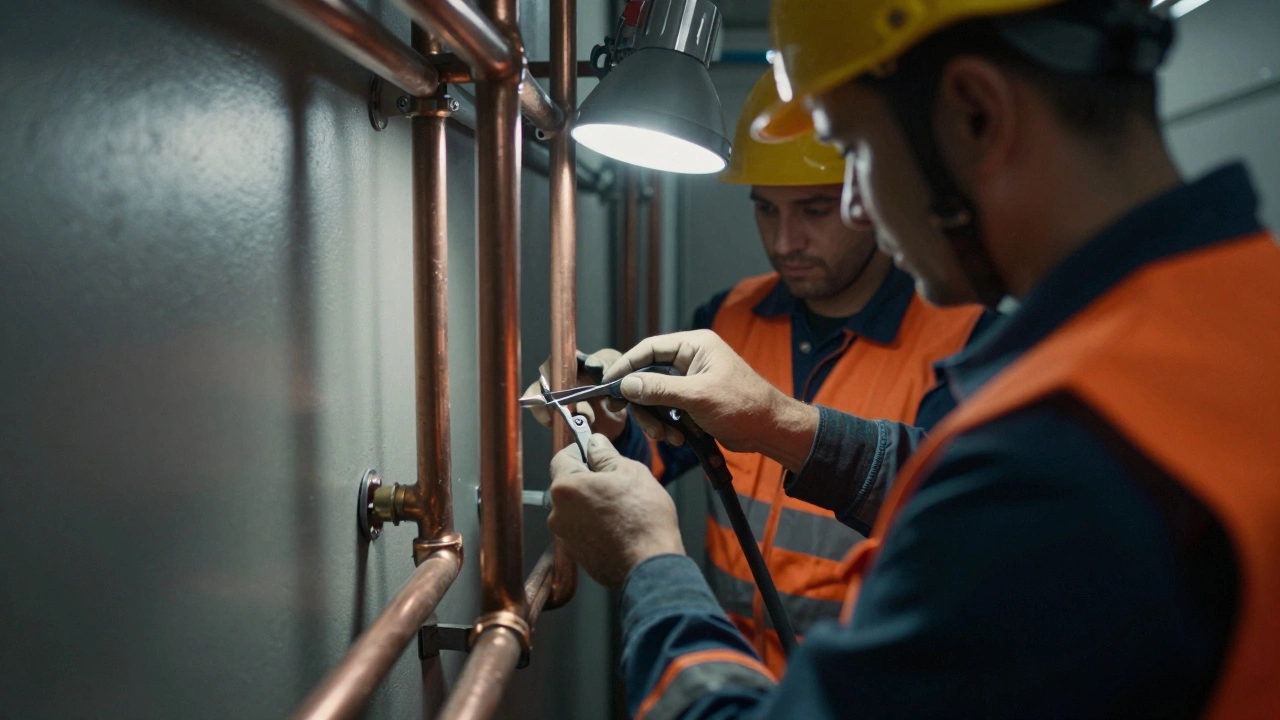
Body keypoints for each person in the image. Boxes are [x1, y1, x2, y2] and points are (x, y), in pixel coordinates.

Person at [545, 0, 1280, 718]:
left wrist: (650, 563)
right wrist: (773, 421)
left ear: (975, 115)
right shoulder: (1238, 308)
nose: (860, 208)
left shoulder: (1063, 452)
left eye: (856, 151)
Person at [528, 70, 991, 674]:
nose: (785, 240)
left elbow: (962, 535)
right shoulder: (727, 319)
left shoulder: (962, 340)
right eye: (766, 209)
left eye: (815, 210)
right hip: (731, 668)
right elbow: (660, 461)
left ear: (867, 195)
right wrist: (612, 424)